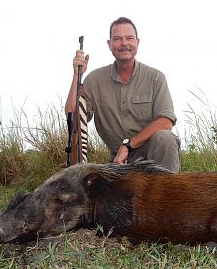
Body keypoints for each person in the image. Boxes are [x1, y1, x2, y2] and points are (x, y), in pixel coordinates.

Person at [65, 17, 180, 172]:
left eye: (129, 38)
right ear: (109, 44)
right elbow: (72, 118)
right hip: (117, 163)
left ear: (137, 42)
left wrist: (128, 145)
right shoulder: (94, 80)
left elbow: (166, 121)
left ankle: (167, 194)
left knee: (165, 138)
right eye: (117, 39)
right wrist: (76, 75)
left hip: (152, 158)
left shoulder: (155, 78)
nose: (124, 43)